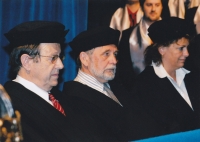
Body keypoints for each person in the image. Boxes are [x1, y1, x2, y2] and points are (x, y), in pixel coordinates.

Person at [62, 27, 164, 141]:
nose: (114, 60)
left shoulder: (116, 88)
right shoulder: (73, 99)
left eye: (115, 54)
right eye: (106, 54)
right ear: (84, 58)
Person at [3, 21, 94, 141]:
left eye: (60, 57)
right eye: (53, 58)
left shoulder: (59, 97)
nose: (61, 65)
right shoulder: (10, 108)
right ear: (27, 62)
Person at [132, 17, 200, 136]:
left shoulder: (193, 76)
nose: (187, 53)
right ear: (162, 49)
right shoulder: (145, 85)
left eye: (187, 48)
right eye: (181, 48)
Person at [115, 0, 163, 91]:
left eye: (157, 5)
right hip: (137, 91)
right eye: (149, 5)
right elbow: (123, 72)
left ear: (162, 7)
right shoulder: (127, 36)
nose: (153, 9)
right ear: (142, 6)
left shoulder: (171, 34)